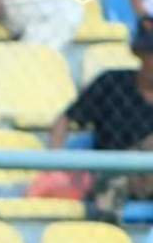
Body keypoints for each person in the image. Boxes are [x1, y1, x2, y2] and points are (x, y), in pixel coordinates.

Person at [48, 16, 153, 222]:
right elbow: (65, 120)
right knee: (110, 187)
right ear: (139, 54)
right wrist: (55, 161)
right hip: (117, 170)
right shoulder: (113, 82)